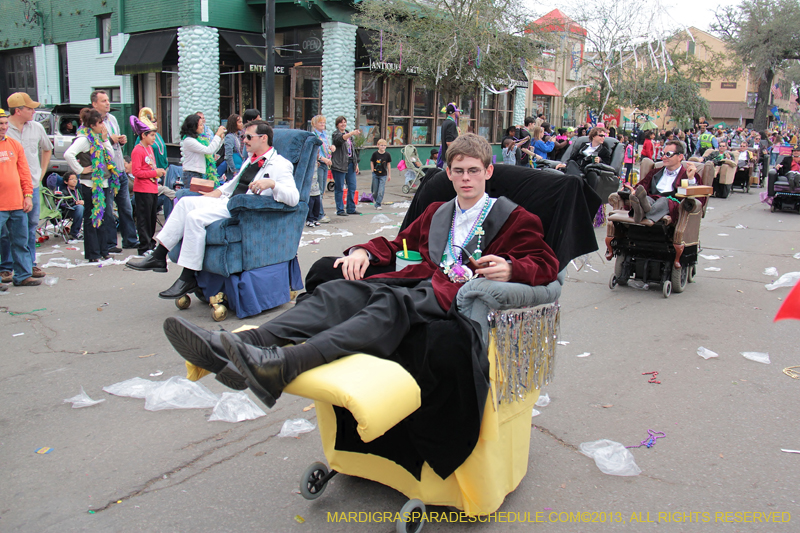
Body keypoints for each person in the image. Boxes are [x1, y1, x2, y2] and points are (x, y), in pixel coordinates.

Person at [162, 132, 560, 411]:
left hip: (453, 300)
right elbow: (399, 245)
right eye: (458, 171)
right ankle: (236, 346)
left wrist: (512, 268)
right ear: (449, 173)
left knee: (386, 305)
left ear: (488, 172)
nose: (466, 178)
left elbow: (546, 263)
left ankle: (283, 364)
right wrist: (363, 251)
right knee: (337, 290)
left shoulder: (513, 218)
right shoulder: (438, 212)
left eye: (473, 170)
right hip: (416, 283)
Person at [127, 120, 298, 299]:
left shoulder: (280, 164)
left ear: (263, 138)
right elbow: (234, 183)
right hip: (227, 201)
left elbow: (294, 198)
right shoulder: (251, 159)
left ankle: (187, 277)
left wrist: (272, 183)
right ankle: (159, 255)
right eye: (244, 136)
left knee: (195, 218)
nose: (244, 140)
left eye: (249, 137)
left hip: (243, 210)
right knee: (185, 203)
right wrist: (215, 193)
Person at [0, 92, 52, 282]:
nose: (33, 112)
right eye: (29, 108)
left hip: (30, 186)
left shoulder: (35, 128)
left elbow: (46, 149)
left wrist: (41, 174)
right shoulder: (7, 132)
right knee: (5, 233)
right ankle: (6, 267)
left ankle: (27, 266)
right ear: (17, 111)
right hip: (7, 192)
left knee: (27, 229)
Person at [63, 108, 120, 262]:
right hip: (90, 183)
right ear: (93, 125)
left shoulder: (99, 138)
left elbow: (110, 155)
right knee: (92, 217)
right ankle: (93, 253)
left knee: (102, 216)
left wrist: (105, 140)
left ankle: (103, 250)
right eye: (100, 123)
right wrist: (80, 170)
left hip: (103, 182)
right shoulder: (84, 139)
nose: (103, 125)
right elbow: (68, 154)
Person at [90, 90, 139, 251]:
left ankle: (130, 239)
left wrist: (121, 140)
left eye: (108, 100)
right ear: (94, 104)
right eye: (103, 101)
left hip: (119, 169)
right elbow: (93, 144)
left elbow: (116, 142)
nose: (107, 103)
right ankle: (110, 243)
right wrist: (110, 140)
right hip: (106, 172)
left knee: (126, 207)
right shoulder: (92, 122)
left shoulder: (112, 118)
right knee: (109, 209)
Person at [0, 108, 40, 289]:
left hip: (17, 203)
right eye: (0, 124)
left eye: (5, 123)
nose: (3, 127)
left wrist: (28, 196)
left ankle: (23, 275)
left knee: (20, 241)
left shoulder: (14, 145)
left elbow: (24, 173)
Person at [623, 140, 702, 224]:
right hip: (652, 201)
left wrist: (691, 179)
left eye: (668, 154)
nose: (663, 157)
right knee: (646, 199)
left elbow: (699, 198)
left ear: (680, 157)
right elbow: (641, 187)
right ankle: (641, 212)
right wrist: (632, 190)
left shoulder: (688, 175)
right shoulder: (654, 172)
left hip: (670, 204)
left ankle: (640, 213)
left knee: (664, 201)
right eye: (662, 154)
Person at [130, 115, 166, 255]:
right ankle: (144, 246)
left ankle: (150, 243)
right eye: (151, 135)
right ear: (143, 135)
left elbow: (151, 167)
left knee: (151, 218)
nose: (154, 138)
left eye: (155, 135)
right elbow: (136, 172)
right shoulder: (137, 150)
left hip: (152, 187)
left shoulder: (150, 149)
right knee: (144, 219)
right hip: (142, 188)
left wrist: (157, 172)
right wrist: (154, 173)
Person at [179, 114, 225, 190]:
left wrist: (220, 139)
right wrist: (217, 135)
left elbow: (212, 150)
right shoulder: (189, 141)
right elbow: (209, 150)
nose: (203, 127)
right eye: (200, 125)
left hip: (200, 173)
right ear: (193, 126)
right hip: (191, 174)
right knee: (193, 195)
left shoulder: (199, 139)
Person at [330, 116, 361, 216]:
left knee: (352, 186)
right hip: (339, 165)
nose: (343, 124)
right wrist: (351, 133)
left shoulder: (349, 135)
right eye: (341, 122)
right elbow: (340, 140)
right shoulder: (336, 134)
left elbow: (353, 150)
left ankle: (351, 208)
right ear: (337, 125)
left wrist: (356, 164)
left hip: (351, 163)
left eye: (344, 122)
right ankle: (340, 210)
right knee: (339, 188)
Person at [310, 115, 332, 223]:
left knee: (322, 190)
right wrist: (323, 159)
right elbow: (314, 152)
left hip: (325, 163)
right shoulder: (313, 136)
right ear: (314, 124)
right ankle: (319, 214)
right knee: (317, 190)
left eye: (323, 122)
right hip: (318, 163)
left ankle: (319, 212)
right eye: (320, 123)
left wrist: (331, 149)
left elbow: (326, 148)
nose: (323, 124)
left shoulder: (325, 135)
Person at [58, 172, 84, 240]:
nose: (74, 181)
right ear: (66, 182)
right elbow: (63, 204)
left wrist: (83, 202)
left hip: (82, 209)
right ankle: (75, 232)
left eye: (75, 179)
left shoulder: (79, 189)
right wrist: (75, 203)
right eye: (71, 179)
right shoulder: (64, 192)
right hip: (69, 210)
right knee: (80, 207)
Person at [369, 139, 392, 209]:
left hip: (383, 175)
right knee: (374, 191)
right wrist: (372, 171)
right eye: (381, 145)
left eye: (384, 145)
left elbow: (388, 164)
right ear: (378, 145)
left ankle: (378, 204)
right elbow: (372, 162)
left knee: (381, 190)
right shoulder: (375, 154)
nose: (383, 147)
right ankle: (376, 200)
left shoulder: (387, 154)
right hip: (375, 174)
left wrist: (389, 174)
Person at [436, 103, 460, 168]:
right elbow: (449, 142)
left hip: (445, 157)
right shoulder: (451, 123)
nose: (459, 113)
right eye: (458, 111)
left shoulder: (445, 122)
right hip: (450, 158)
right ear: (454, 112)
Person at [223, 114, 244, 181]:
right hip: (234, 169)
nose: (241, 124)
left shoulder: (239, 136)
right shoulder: (230, 137)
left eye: (242, 122)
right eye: (239, 122)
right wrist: (233, 170)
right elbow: (228, 155)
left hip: (240, 167)